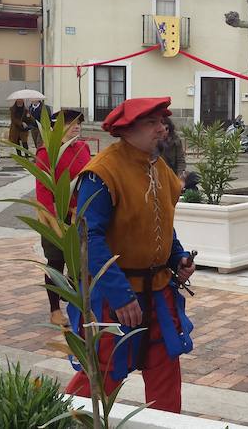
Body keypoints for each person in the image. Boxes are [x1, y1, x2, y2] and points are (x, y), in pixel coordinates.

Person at [64, 97, 194, 413]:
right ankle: (62, 419)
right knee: (101, 372)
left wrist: (177, 258)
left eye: (162, 122)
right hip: (114, 297)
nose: (162, 128)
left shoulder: (158, 167)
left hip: (158, 291)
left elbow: (160, 220)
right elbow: (88, 238)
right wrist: (121, 296)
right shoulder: (102, 172)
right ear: (127, 128)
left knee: (165, 369)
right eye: (153, 122)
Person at [34, 109, 91, 327]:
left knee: (80, 263)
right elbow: (43, 192)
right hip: (54, 216)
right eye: (71, 123)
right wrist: (57, 221)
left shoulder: (83, 148)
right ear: (58, 127)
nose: (77, 126)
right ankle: (54, 310)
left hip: (80, 216)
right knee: (56, 262)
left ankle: (76, 303)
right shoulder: (47, 152)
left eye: (78, 123)